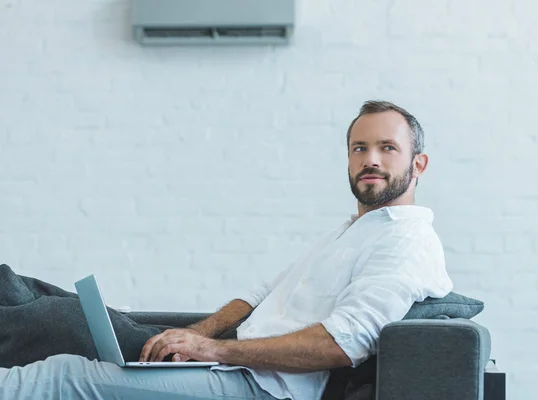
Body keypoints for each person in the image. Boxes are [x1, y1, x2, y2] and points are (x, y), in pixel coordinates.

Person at [0, 100, 453, 400]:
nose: (370, 159)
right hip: (235, 363)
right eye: (360, 147)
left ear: (418, 164)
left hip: (263, 387)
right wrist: (198, 337)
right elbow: (258, 295)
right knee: (38, 299)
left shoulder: (406, 240)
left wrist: (212, 350)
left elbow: (342, 343)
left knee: (66, 374)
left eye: (387, 148)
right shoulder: (353, 230)